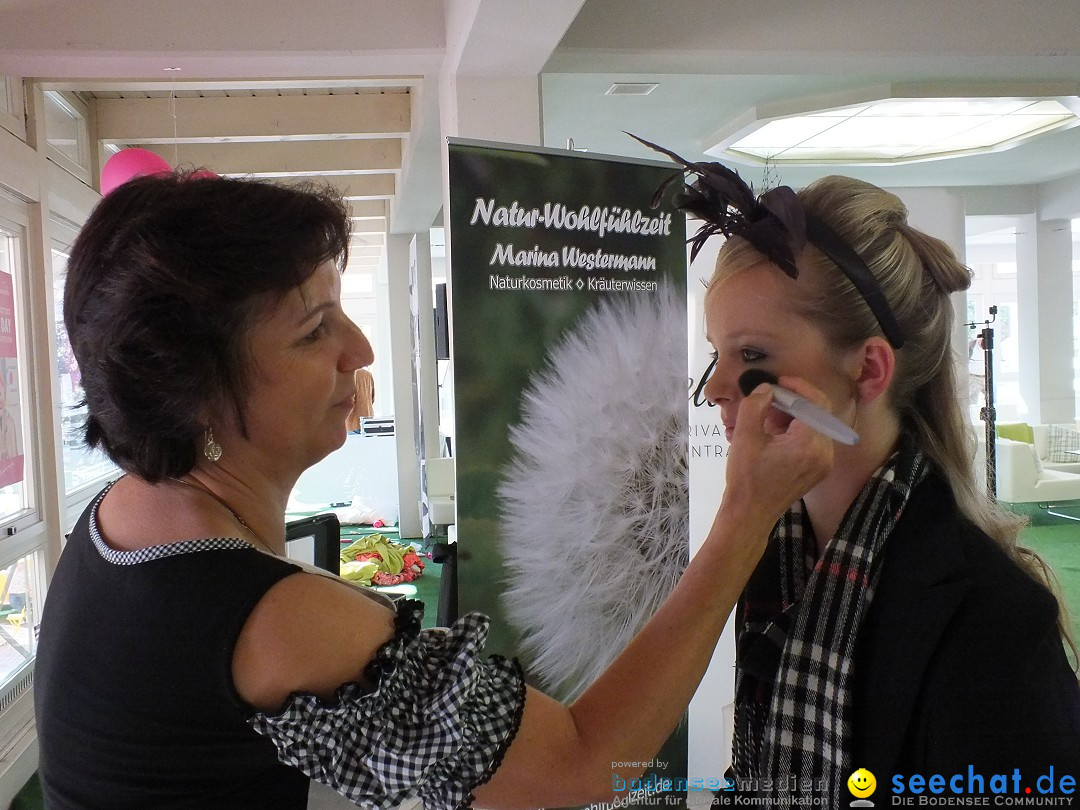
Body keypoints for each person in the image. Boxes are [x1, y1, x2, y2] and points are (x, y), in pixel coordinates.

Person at [35, 171, 833, 810]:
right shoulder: (270, 618)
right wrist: (747, 511)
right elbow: (588, 768)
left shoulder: (115, 527)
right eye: (314, 330)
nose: (360, 347)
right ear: (196, 392)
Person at [674, 159, 1080, 801]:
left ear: (868, 371)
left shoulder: (996, 623)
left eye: (752, 357)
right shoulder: (778, 562)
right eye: (716, 354)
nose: (718, 390)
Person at [345, 368, 375, 432]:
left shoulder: (351, 374)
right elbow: (372, 398)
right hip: (368, 420)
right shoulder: (368, 374)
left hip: (353, 423)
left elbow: (349, 399)